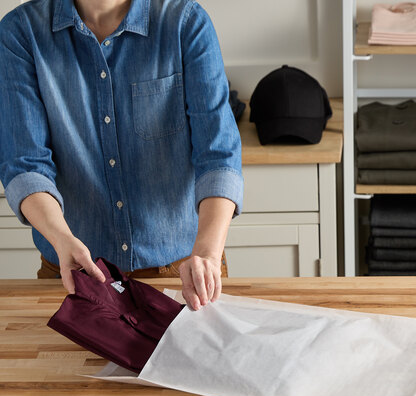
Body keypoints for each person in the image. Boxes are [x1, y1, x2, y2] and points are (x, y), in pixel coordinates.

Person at [0, 0, 242, 310]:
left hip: (183, 270)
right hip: (75, 273)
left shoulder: (186, 23)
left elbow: (219, 155)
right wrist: (61, 238)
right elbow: (25, 164)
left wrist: (207, 253)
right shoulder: (21, 32)